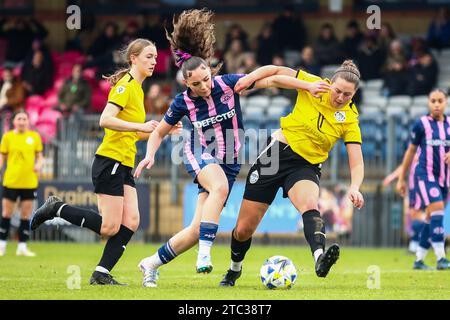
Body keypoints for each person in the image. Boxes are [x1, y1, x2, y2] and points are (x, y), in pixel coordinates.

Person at [133, 9, 331, 288]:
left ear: (210, 72)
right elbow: (159, 132)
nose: (203, 86)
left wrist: (305, 86)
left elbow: (271, 79)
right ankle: (205, 256)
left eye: (206, 79)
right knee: (220, 189)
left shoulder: (227, 85)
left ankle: (150, 263)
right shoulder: (181, 103)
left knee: (194, 230)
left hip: (230, 161)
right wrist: (150, 155)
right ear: (186, 84)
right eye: (196, 84)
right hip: (200, 151)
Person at [30, 39, 180, 285]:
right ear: (134, 58)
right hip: (109, 159)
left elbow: (133, 132)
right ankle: (56, 208)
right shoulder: (125, 86)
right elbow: (105, 119)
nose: (154, 61)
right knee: (110, 227)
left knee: (131, 221)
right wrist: (140, 126)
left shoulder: (138, 89)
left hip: (124, 163)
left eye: (155, 57)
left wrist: (165, 129)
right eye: (149, 56)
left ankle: (101, 272)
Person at [219, 60, 365, 287]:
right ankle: (234, 269)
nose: (340, 98)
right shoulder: (314, 84)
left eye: (347, 95)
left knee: (310, 205)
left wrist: (355, 186)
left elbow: (356, 162)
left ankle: (319, 259)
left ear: (353, 95)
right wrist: (250, 79)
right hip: (275, 156)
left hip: (306, 166)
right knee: (243, 229)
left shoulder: (350, 119)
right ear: (330, 84)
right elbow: (275, 73)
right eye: (338, 91)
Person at [396, 89, 450, 270]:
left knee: (430, 217)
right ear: (428, 103)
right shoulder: (421, 124)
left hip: (444, 179)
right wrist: (401, 178)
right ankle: (441, 258)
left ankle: (418, 260)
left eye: (440, 100)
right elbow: (410, 152)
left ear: (446, 102)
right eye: (433, 100)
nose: (436, 104)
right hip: (425, 175)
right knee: (437, 209)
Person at [0, 110, 43, 257]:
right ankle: (2, 245)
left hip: (29, 182)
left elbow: (40, 157)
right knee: (6, 214)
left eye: (24, 119)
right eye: (19, 119)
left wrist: (39, 165)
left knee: (25, 215)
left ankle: (22, 247)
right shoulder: (8, 137)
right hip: (11, 181)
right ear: (14, 122)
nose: (22, 121)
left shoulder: (34, 137)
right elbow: (2, 157)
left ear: (28, 121)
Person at [383, 154, 426, 254]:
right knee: (414, 215)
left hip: (420, 185)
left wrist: (392, 177)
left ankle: (437, 238)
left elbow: (407, 163)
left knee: (418, 214)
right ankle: (415, 245)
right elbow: (406, 164)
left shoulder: (424, 146)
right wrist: (393, 177)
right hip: (413, 187)